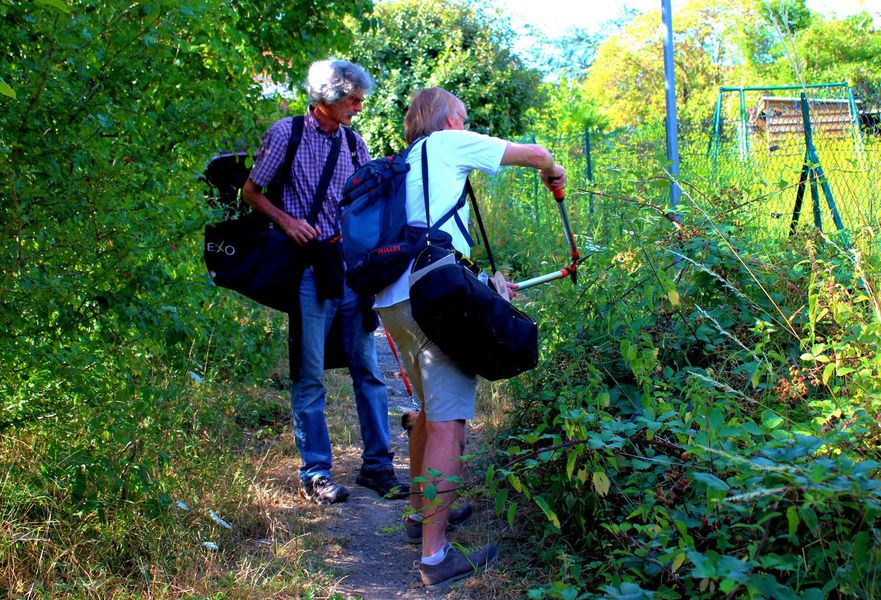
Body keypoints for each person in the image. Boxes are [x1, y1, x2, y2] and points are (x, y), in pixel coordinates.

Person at [375, 87, 566, 589]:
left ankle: (420, 516)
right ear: (448, 120)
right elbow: (535, 153)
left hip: (394, 298)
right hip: (429, 298)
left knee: (425, 410)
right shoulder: (446, 143)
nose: (466, 125)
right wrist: (552, 170)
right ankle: (435, 559)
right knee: (448, 422)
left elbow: (436, 239)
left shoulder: (407, 163)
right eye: (463, 117)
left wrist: (487, 285)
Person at [243, 59, 407, 505]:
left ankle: (378, 466)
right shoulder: (286, 134)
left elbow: (367, 204)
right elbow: (251, 191)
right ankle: (316, 472)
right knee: (309, 374)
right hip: (308, 270)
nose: (358, 106)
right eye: (352, 99)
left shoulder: (356, 144)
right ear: (328, 98)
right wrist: (288, 222)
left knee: (368, 371)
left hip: (352, 270)